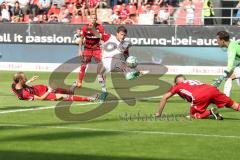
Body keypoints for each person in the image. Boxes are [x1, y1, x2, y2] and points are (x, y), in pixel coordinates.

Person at [155, 74, 240, 120]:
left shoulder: (177, 86)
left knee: (192, 116)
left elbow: (164, 98)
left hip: (199, 95)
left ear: (176, 82)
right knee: (234, 105)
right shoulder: (193, 81)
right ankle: (212, 112)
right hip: (212, 89)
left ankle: (210, 112)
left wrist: (159, 113)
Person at [99, 26, 148, 98]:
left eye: (124, 35)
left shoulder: (125, 43)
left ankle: (132, 73)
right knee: (100, 76)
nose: (123, 36)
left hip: (115, 61)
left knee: (107, 70)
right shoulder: (110, 38)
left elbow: (126, 54)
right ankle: (104, 91)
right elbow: (100, 36)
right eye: (121, 34)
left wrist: (129, 63)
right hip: (108, 61)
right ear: (117, 34)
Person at [11, 72, 99, 101]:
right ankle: (90, 99)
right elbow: (40, 98)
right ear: (19, 80)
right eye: (24, 78)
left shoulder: (14, 85)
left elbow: (20, 87)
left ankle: (71, 89)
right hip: (44, 93)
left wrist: (30, 81)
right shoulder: (25, 94)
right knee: (62, 96)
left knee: (58, 88)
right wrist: (49, 91)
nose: (26, 78)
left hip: (42, 88)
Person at [75, 14, 105, 90]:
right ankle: (80, 81)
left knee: (101, 64)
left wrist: (103, 50)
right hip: (87, 49)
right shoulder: (85, 28)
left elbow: (102, 38)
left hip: (97, 49)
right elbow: (81, 39)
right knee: (83, 65)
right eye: (92, 18)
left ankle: (102, 81)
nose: (93, 19)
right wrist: (80, 50)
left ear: (96, 19)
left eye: (95, 18)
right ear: (89, 19)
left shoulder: (100, 27)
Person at [212, 31, 240, 97]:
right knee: (229, 76)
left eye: (217, 40)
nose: (217, 42)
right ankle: (225, 100)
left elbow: (230, 65)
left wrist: (221, 78)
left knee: (229, 78)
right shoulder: (233, 43)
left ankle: (225, 100)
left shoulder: (231, 48)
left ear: (223, 41)